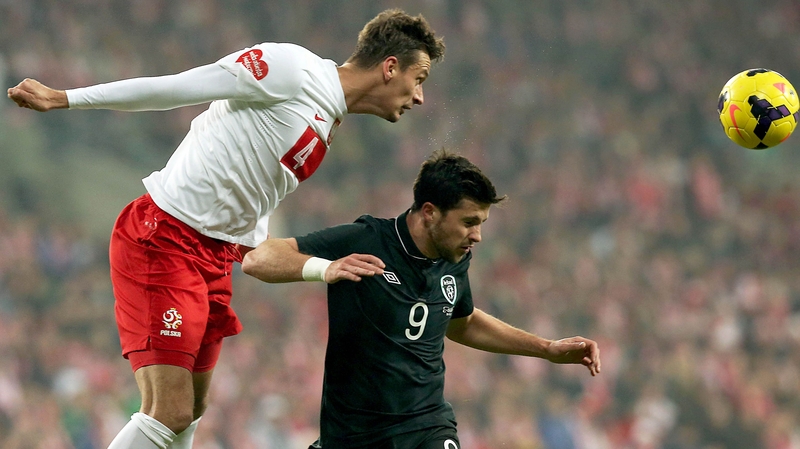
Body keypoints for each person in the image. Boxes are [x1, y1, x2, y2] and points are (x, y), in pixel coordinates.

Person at [6, 9, 445, 449]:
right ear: (390, 67)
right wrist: (65, 97)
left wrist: (320, 268)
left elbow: (254, 234)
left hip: (216, 256)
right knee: (169, 411)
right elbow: (177, 87)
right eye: (419, 77)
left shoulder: (327, 119)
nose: (420, 96)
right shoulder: (292, 69)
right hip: (163, 236)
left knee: (191, 412)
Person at [241, 149, 602, 449]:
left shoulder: (455, 259)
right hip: (351, 437)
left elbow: (464, 323)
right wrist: (325, 267)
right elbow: (258, 259)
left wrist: (546, 348)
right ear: (430, 212)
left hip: (425, 428)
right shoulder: (366, 240)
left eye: (481, 224)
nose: (476, 236)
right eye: (468, 222)